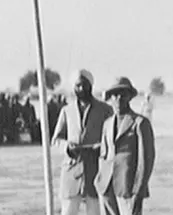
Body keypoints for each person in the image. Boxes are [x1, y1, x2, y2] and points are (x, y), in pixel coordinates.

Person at [51, 70, 113, 215]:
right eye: (78, 86)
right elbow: (56, 139)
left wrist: (101, 147)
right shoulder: (67, 111)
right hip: (72, 171)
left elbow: (112, 138)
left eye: (84, 85)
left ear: (91, 86)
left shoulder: (105, 110)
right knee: (68, 211)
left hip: (96, 171)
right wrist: (67, 147)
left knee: (95, 211)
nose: (81, 89)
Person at [95, 77, 155, 215]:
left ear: (129, 96)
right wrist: (99, 181)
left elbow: (145, 161)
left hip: (128, 188)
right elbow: (103, 156)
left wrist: (138, 191)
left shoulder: (140, 123)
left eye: (123, 94)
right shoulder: (107, 124)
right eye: (115, 94)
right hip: (106, 187)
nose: (118, 98)